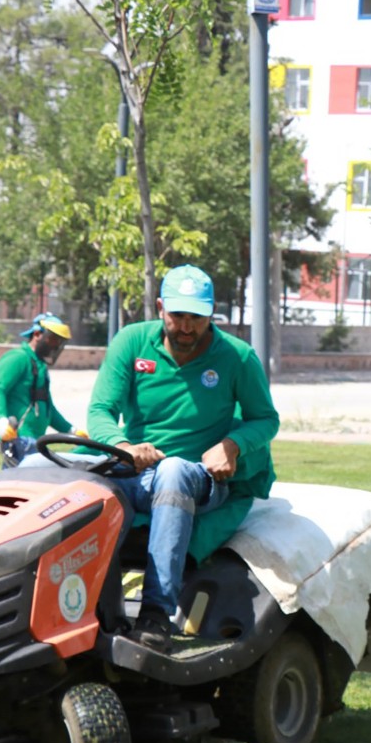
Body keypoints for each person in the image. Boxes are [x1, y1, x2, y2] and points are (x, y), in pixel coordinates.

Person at [86, 265, 279, 653]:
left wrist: (234, 444)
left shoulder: (237, 357)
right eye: (178, 315)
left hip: (198, 479)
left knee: (173, 470)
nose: (187, 327)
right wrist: (122, 444)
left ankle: (156, 615)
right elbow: (99, 413)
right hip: (135, 472)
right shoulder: (131, 342)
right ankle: (86, 609)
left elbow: (266, 419)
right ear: (160, 308)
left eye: (197, 317)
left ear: (212, 314)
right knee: (54, 476)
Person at [0, 313, 82, 467]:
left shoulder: (40, 367)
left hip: (36, 442)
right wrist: (1, 421)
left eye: (60, 341)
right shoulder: (18, 358)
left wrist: (71, 430)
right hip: (19, 440)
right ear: (38, 334)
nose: (56, 345)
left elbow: (48, 408)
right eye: (54, 339)